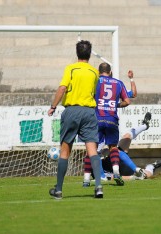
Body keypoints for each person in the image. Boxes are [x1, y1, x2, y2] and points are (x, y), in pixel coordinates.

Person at [48, 40, 103, 199]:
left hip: (72, 111)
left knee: (65, 151)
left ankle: (58, 189)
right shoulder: (94, 73)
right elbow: (94, 94)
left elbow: (63, 87)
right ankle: (98, 186)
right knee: (92, 150)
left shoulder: (70, 69)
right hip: (89, 111)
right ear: (90, 53)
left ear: (77, 53)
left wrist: (53, 106)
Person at [83, 63, 131, 187]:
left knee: (91, 148)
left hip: (97, 119)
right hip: (112, 119)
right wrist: (115, 105)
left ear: (99, 72)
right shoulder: (119, 83)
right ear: (110, 72)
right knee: (113, 147)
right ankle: (116, 172)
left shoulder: (95, 81)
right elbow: (127, 101)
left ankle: (86, 179)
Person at [99, 112, 161, 180]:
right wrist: (133, 178)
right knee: (145, 175)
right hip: (123, 169)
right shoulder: (97, 171)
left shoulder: (93, 154)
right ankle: (151, 166)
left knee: (127, 137)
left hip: (117, 156)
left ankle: (144, 125)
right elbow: (113, 178)